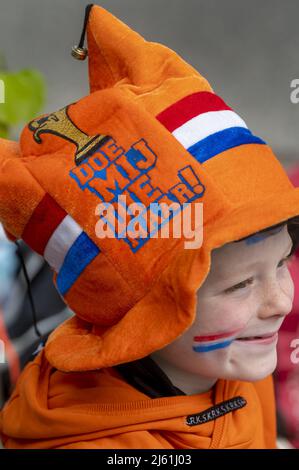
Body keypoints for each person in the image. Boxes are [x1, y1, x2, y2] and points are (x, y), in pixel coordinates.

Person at [0, 5, 299, 449]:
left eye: (281, 260)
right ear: (135, 317)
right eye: (239, 285)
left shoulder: (232, 364)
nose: (281, 299)